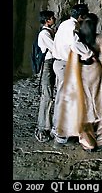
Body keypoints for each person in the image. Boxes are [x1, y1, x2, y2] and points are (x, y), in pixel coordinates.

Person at [56, 13, 102, 152]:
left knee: (85, 103)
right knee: (101, 101)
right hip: (96, 72)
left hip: (81, 73)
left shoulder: (77, 37)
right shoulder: (99, 37)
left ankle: (87, 138)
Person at [51, 3, 93, 144]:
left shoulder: (64, 24)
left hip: (60, 63)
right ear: (80, 16)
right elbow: (75, 44)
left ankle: (59, 128)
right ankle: (60, 133)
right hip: (64, 64)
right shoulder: (72, 26)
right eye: (84, 16)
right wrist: (89, 53)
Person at [34, 10, 56, 143]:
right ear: (47, 20)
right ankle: (42, 129)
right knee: (46, 96)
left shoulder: (49, 32)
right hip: (47, 65)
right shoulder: (44, 34)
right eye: (52, 17)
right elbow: (55, 48)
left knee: (49, 95)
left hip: (51, 64)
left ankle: (47, 126)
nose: (54, 18)